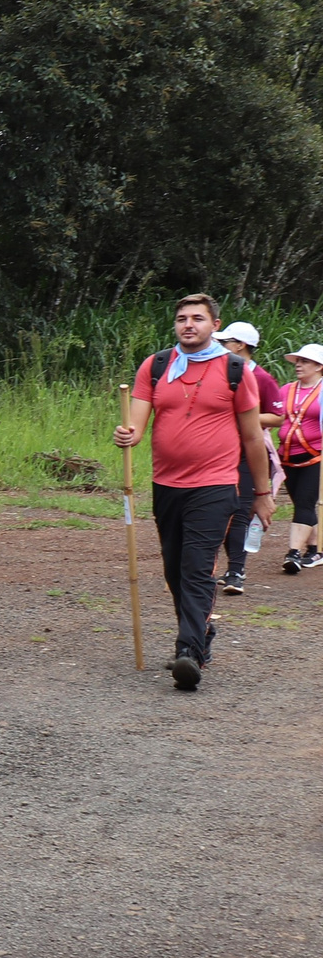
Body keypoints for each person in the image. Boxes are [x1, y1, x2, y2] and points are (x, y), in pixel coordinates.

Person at [112, 294, 275, 690]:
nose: (189, 325)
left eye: (198, 318)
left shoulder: (236, 370)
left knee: (196, 567)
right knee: (173, 568)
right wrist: (126, 434)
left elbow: (253, 437)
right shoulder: (156, 366)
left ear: (215, 325)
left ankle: (189, 652)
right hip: (166, 485)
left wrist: (262, 492)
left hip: (217, 485)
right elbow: (137, 421)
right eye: (182, 318)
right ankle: (200, 634)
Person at [214, 320, 288, 595]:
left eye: (225, 343)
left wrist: (245, 417)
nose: (219, 347)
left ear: (240, 346)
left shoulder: (263, 378)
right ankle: (229, 567)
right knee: (222, 510)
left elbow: (278, 416)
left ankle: (236, 570)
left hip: (250, 454)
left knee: (242, 511)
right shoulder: (220, 372)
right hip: (220, 452)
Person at [278, 343, 323, 573]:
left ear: (319, 367)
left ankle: (293, 553)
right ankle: (315, 549)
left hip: (316, 458)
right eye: (298, 361)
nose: (298, 365)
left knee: (304, 504)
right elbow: (276, 416)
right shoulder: (286, 390)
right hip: (287, 457)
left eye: (305, 361)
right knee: (301, 505)